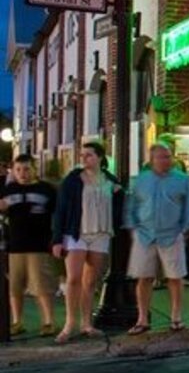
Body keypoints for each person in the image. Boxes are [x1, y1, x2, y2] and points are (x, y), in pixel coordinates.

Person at [125, 142, 189, 334]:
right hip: (145, 235)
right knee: (144, 277)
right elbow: (131, 205)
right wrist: (133, 226)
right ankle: (142, 319)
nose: (166, 160)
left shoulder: (182, 180)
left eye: (168, 156)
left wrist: (186, 228)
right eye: (161, 157)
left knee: (175, 277)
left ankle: (176, 317)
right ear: (152, 160)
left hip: (172, 234)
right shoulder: (141, 180)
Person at [51, 142, 122, 343]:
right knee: (74, 278)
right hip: (77, 233)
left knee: (91, 281)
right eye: (82, 155)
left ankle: (86, 323)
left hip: (101, 233)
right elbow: (61, 209)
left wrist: (118, 201)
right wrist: (57, 239)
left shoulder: (110, 180)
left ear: (100, 157)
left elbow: (118, 202)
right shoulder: (72, 180)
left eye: (89, 155)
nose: (84, 158)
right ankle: (69, 324)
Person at [0, 155, 58, 336]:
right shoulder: (8, 190)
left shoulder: (47, 190)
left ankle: (48, 321)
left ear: (34, 168)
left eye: (26, 169)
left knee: (41, 286)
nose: (22, 173)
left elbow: (57, 214)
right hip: (15, 245)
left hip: (39, 245)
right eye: (18, 170)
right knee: (14, 287)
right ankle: (17, 322)